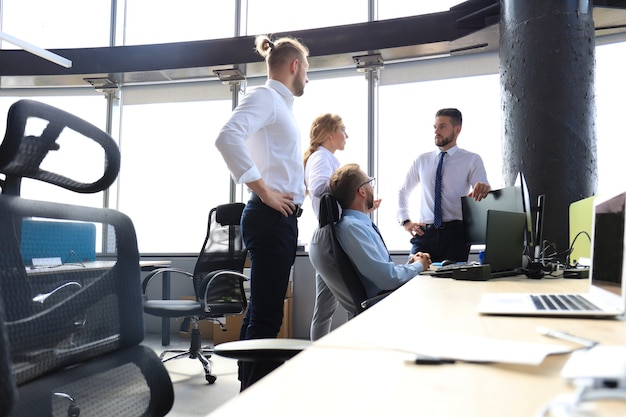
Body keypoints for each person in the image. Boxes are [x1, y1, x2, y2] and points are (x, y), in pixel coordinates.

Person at [215, 34, 309, 391]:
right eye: (307, 70)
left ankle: (247, 393)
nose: (307, 79)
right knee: (267, 317)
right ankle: (255, 401)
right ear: (294, 66)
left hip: (277, 218)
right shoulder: (267, 97)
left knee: (259, 313)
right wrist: (265, 191)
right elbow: (227, 137)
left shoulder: (280, 106)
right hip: (269, 218)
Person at [396, 108, 490, 263]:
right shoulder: (422, 160)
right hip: (424, 234)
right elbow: (403, 190)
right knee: (414, 277)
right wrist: (405, 221)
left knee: (453, 283)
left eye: (442, 127)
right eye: (435, 127)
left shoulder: (472, 159)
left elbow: (482, 186)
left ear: (457, 129)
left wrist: (483, 188)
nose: (436, 132)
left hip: (455, 235)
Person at [330, 163, 431, 298]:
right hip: (384, 302)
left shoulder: (358, 225)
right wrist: (419, 266)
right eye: (369, 182)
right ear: (362, 191)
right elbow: (387, 280)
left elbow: (380, 273)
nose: (372, 187)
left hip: (388, 295)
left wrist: (411, 265)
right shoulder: (352, 228)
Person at [304, 114, 347, 341]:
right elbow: (319, 186)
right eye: (343, 130)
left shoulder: (324, 157)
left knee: (324, 308)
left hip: (326, 236)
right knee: (355, 300)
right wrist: (350, 184)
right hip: (333, 238)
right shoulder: (322, 157)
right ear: (330, 134)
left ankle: (316, 355)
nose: (346, 135)